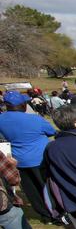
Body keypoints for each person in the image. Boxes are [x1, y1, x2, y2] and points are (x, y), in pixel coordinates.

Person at [0, 91, 57, 221]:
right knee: (48, 187)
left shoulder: (1, 120)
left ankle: (44, 214)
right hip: (40, 158)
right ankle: (56, 212)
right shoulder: (34, 119)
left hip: (18, 160)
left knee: (30, 189)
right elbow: (51, 131)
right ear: (21, 105)